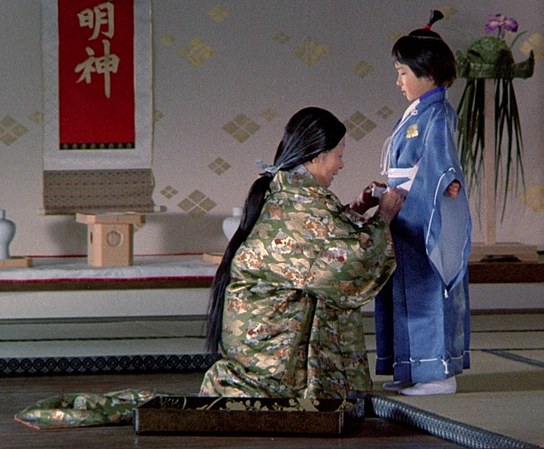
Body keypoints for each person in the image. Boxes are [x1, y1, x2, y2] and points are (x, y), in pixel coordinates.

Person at [201, 107, 404, 399]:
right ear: (317, 156)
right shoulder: (302, 202)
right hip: (271, 361)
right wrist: (384, 216)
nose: (341, 164)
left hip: (255, 343)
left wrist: (358, 208)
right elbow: (348, 262)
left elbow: (322, 242)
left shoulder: (288, 192)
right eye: (339, 155)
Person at [374, 10, 472, 396]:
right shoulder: (418, 112)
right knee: (403, 289)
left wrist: (447, 183)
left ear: (426, 72)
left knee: (426, 289)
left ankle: (438, 374)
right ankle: (412, 367)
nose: (398, 81)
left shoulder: (437, 114)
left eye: (403, 73)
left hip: (422, 210)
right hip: (406, 212)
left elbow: (441, 162)